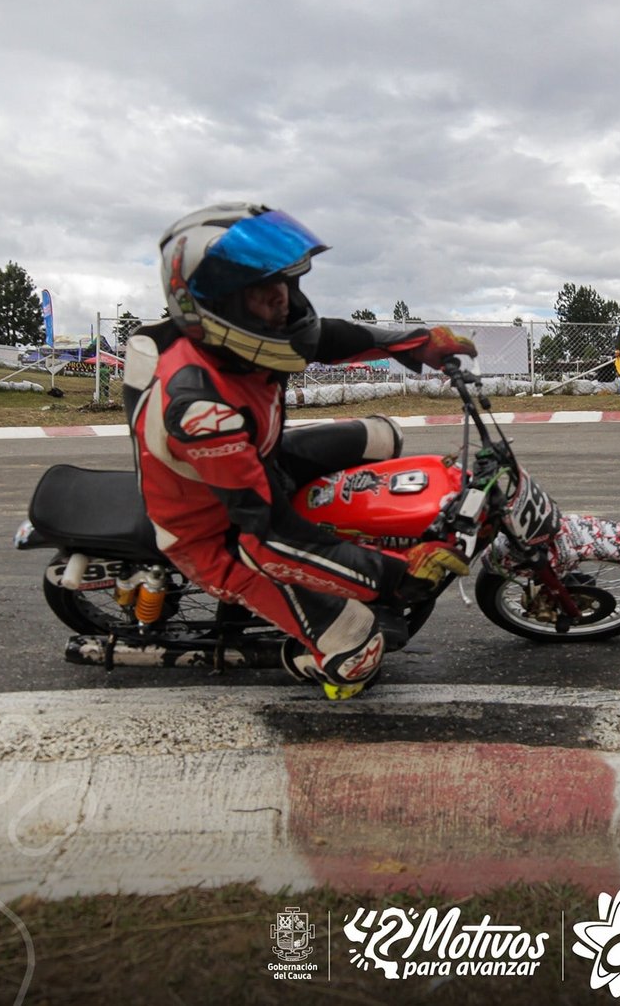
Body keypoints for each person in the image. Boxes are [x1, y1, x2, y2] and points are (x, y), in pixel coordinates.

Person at [123, 203, 476, 699]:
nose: (284, 299)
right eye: (261, 289)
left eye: (287, 282)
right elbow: (266, 536)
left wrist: (415, 344)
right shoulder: (201, 412)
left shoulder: (234, 340)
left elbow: (325, 337)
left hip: (259, 461)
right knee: (359, 654)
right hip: (217, 533)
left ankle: (340, 559)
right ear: (217, 305)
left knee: (383, 435)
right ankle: (313, 655)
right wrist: (397, 576)